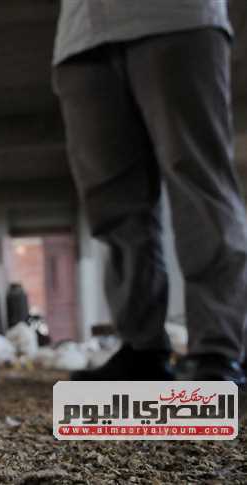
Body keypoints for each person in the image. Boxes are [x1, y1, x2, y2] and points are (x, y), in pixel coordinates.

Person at [52, 0, 247, 383]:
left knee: (199, 186)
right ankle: (142, 349)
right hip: (81, 36)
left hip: (175, 18)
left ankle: (218, 348)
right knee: (113, 204)